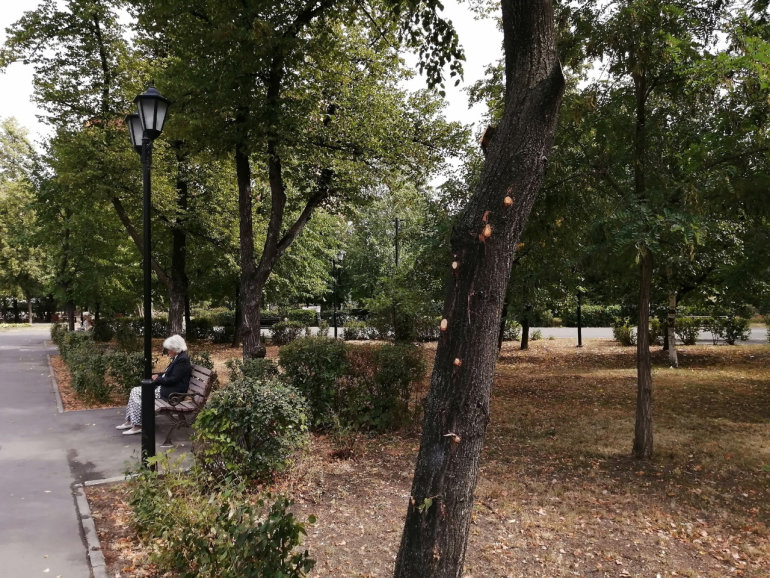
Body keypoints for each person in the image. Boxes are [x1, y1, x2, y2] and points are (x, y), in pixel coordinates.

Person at [117, 334, 192, 435]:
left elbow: (173, 379)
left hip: (172, 393)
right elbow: (169, 374)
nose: (168, 351)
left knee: (136, 392)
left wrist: (158, 379)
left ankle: (138, 425)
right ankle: (131, 421)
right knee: (135, 391)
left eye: (169, 349)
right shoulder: (178, 357)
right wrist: (159, 375)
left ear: (176, 348)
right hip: (167, 388)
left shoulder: (182, 360)